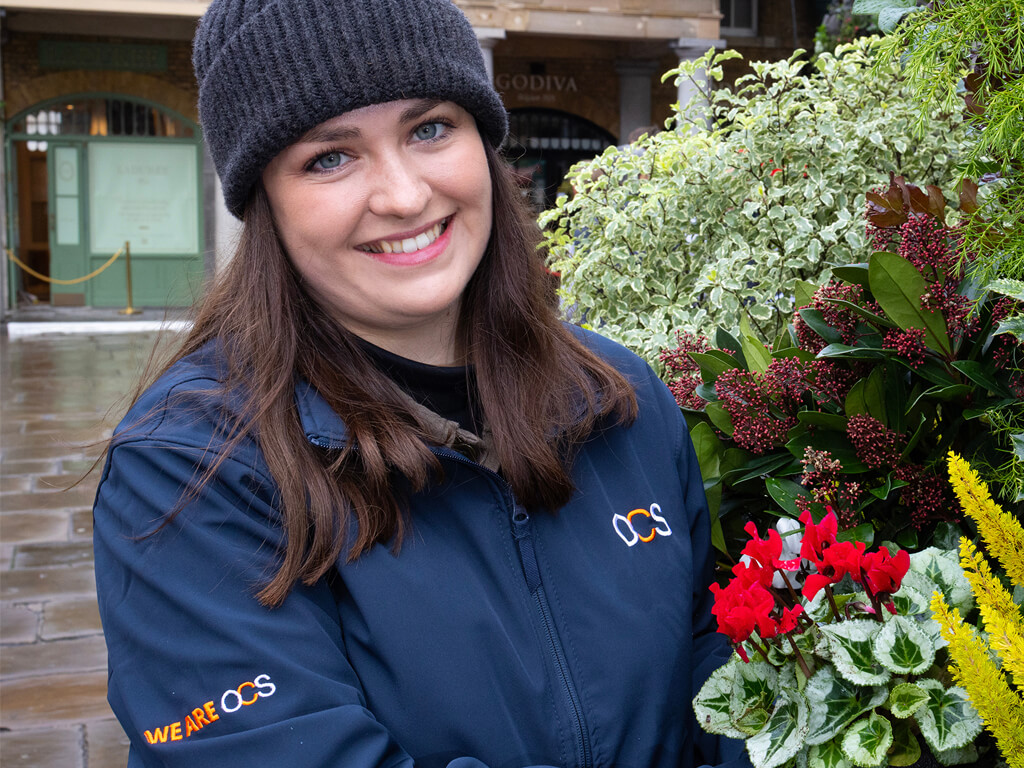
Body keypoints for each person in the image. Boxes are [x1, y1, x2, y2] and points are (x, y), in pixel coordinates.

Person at [92, 1, 749, 767]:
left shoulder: (619, 400)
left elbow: (719, 669)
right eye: (329, 157)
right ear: (264, 200)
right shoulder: (190, 470)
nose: (404, 196)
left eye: (429, 128)